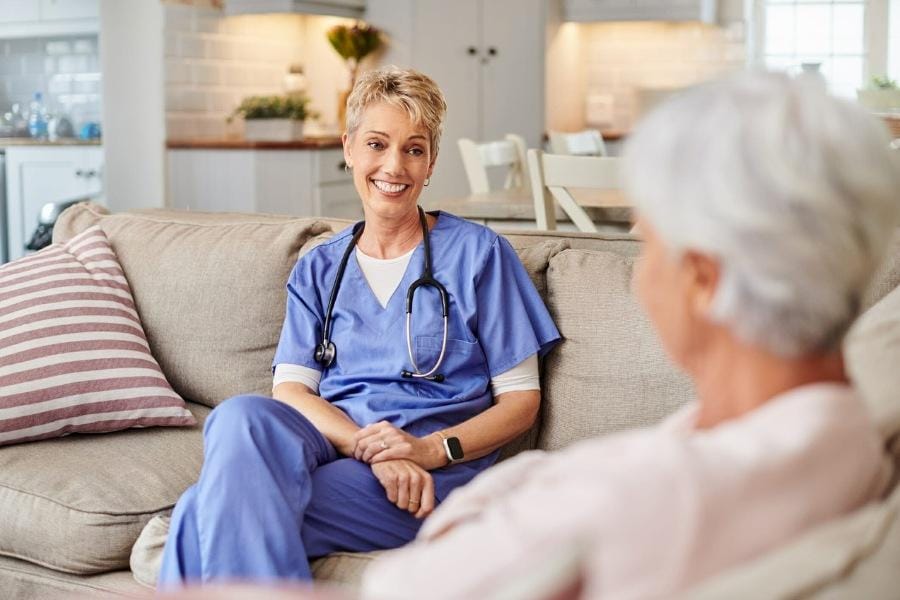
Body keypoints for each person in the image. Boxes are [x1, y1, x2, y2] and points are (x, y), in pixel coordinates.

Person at [362, 71, 900, 599]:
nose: (639, 271)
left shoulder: (641, 497)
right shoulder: (847, 433)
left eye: (650, 245)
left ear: (703, 281)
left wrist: (513, 487)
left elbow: (399, 589)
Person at [157, 66, 560, 586]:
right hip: (338, 442)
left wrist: (427, 450)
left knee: (201, 511)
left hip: (428, 472)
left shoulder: (481, 256)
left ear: (431, 162)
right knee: (241, 417)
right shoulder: (320, 265)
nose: (394, 165)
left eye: (414, 149)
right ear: (348, 148)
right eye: (377, 144)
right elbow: (292, 391)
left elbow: (521, 403)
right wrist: (364, 446)